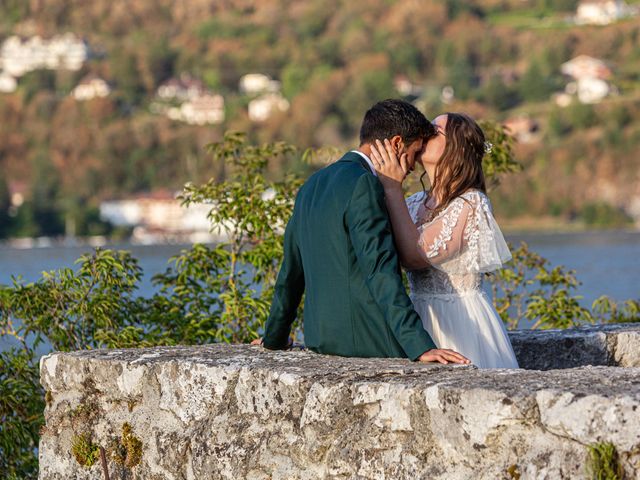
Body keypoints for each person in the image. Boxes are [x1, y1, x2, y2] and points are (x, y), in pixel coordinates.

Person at [253, 100, 470, 365]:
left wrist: (274, 337)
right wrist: (419, 346)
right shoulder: (364, 184)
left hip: (320, 340)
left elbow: (290, 272)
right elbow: (381, 271)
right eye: (414, 154)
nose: (413, 167)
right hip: (369, 342)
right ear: (396, 144)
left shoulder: (312, 184)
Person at [369, 112, 519, 369]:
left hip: (460, 323)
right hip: (417, 318)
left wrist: (392, 187)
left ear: (456, 148)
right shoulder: (414, 203)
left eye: (435, 131)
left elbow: (416, 256)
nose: (424, 131)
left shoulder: (471, 203)